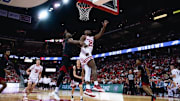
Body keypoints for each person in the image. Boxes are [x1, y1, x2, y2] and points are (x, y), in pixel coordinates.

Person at [79, 20, 109, 97]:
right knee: (94, 67)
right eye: (86, 30)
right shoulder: (84, 36)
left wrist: (104, 27)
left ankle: (88, 89)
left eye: (89, 30)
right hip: (85, 53)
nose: (87, 30)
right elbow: (80, 42)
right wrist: (84, 47)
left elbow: (100, 34)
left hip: (85, 55)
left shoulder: (92, 37)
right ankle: (96, 84)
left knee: (88, 72)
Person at [51, 29, 84, 100]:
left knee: (72, 68)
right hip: (65, 58)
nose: (69, 34)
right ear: (66, 36)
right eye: (68, 34)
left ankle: (72, 81)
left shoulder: (68, 41)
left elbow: (74, 44)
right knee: (62, 74)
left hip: (68, 58)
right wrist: (80, 42)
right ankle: (56, 91)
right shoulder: (68, 40)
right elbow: (75, 42)